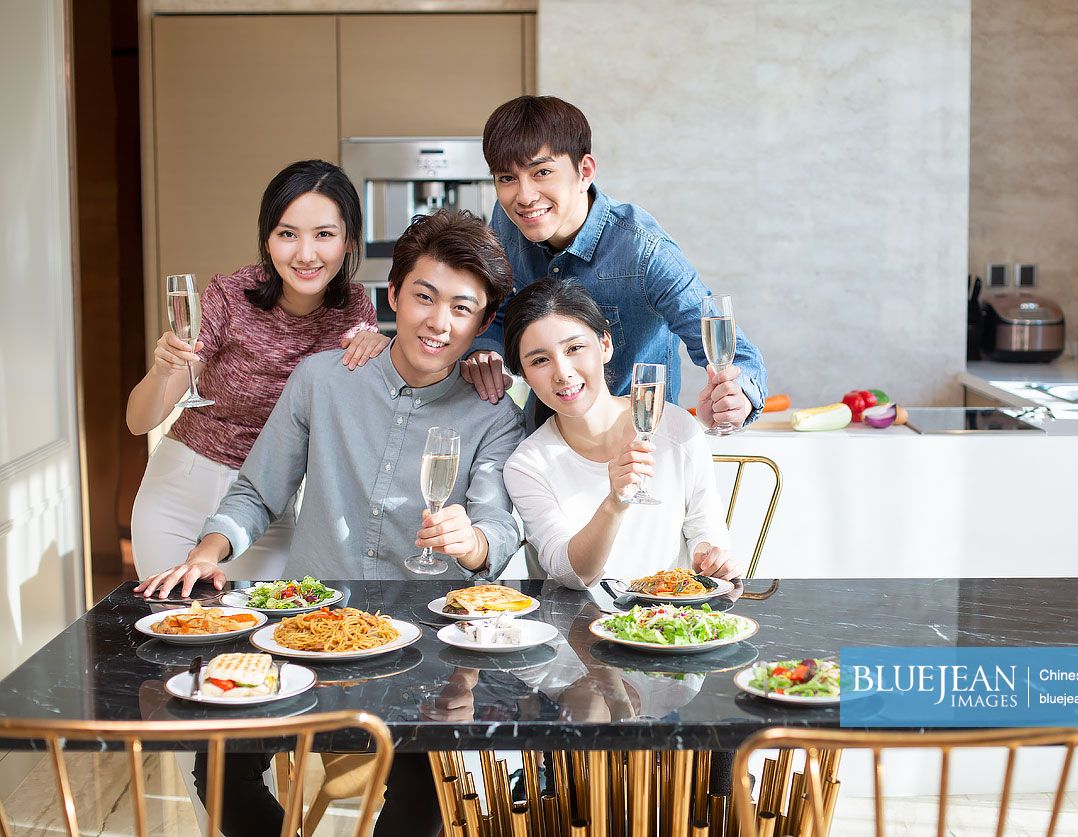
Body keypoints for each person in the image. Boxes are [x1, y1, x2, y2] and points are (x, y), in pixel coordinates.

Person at [136, 209, 525, 837]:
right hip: (306, 627)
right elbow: (259, 490)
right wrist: (207, 553)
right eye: (423, 297)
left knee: (423, 805)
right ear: (393, 295)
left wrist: (473, 544)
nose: (438, 321)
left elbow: (497, 533)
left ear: (482, 323)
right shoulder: (323, 379)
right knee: (219, 766)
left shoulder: (492, 415)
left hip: (421, 646)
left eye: (462, 308)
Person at [126, 159, 389, 580]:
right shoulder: (229, 297)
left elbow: (359, 425)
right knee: (175, 634)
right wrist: (161, 372)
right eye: (287, 234)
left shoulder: (354, 311)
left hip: (265, 501)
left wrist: (379, 356)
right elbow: (140, 422)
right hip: (181, 489)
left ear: (349, 241)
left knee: (260, 634)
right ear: (267, 240)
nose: (306, 254)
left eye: (324, 235)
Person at [460, 95, 769, 432]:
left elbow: (738, 356)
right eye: (507, 178)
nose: (524, 196)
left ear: (585, 171)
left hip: (639, 441)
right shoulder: (507, 224)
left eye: (542, 172)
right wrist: (485, 351)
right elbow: (497, 307)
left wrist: (737, 396)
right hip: (546, 438)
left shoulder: (645, 252)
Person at [501, 278, 740, 589]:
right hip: (581, 625)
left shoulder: (677, 427)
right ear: (524, 375)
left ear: (605, 345)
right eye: (540, 360)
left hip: (672, 622)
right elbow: (570, 573)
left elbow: (703, 529)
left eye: (575, 348)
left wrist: (709, 557)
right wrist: (614, 503)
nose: (562, 373)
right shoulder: (527, 466)